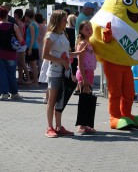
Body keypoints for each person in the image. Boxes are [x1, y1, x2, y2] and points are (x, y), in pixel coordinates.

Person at [43, 10, 85, 138]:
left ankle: (59, 126)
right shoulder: (51, 36)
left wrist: (77, 54)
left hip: (65, 71)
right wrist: (61, 61)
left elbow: (66, 53)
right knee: (52, 100)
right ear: (57, 21)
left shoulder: (62, 33)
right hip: (55, 71)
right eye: (64, 20)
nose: (66, 22)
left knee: (61, 100)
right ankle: (49, 127)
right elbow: (45, 55)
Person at [75, 20, 97, 134]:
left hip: (89, 72)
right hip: (84, 73)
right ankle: (82, 125)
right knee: (84, 99)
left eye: (90, 29)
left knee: (87, 98)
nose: (89, 31)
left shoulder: (89, 42)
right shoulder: (82, 43)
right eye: (86, 29)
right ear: (81, 31)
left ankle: (85, 124)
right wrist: (84, 77)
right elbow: (80, 61)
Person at [0, 6, 23, 100]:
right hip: (11, 54)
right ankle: (14, 93)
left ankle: (4, 94)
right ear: (7, 15)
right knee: (12, 74)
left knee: (2, 74)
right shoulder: (13, 26)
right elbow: (21, 39)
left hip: (0, 53)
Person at [13, 9, 31, 85]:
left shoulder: (17, 23)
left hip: (20, 44)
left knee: (22, 63)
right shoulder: (22, 23)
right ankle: (21, 78)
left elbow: (19, 35)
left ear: (16, 14)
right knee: (21, 63)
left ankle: (28, 79)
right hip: (22, 44)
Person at [24, 9, 40, 87]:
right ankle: (35, 82)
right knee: (33, 66)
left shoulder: (31, 25)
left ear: (27, 16)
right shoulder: (35, 24)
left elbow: (32, 37)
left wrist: (30, 48)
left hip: (32, 47)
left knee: (33, 66)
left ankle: (36, 83)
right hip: (34, 46)